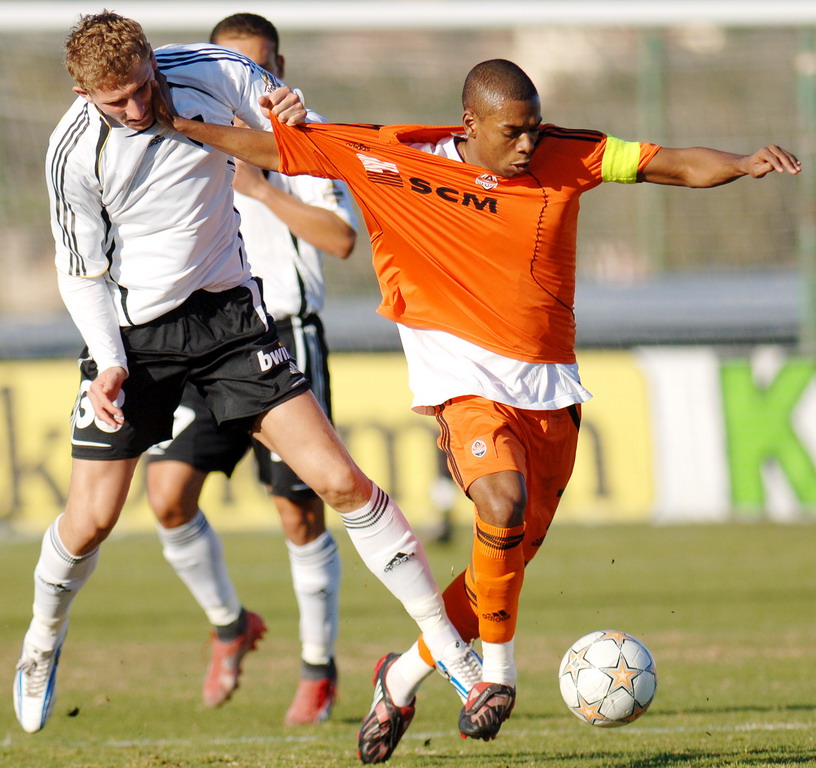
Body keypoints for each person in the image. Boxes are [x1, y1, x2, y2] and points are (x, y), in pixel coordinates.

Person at [150, 57, 801, 762]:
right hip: (461, 381)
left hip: (550, 390)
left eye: (533, 128)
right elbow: (277, 148)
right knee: (500, 500)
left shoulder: (564, 154)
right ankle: (495, 675)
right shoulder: (388, 156)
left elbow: (664, 163)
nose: (527, 145)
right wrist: (183, 124)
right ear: (471, 123)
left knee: (505, 558)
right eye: (513, 132)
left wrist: (741, 163)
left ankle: (398, 676)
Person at [13, 11, 481, 736]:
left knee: (339, 482)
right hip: (136, 340)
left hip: (230, 320)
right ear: (82, 92)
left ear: (152, 63)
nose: (139, 109)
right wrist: (109, 363)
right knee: (91, 521)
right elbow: (82, 274)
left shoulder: (208, 71)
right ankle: (41, 643)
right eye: (118, 102)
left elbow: (279, 113)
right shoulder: (71, 152)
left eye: (143, 88)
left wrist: (288, 116)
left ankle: (451, 651)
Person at [143, 12, 357, 725]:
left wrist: (265, 187)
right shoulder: (183, 130)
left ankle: (319, 669)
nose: (243, 85)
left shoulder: (308, 136)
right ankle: (231, 623)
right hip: (204, 338)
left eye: (259, 71)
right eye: (228, 67)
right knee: (167, 497)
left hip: (284, 334)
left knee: (299, 511)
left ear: (280, 70)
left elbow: (342, 239)